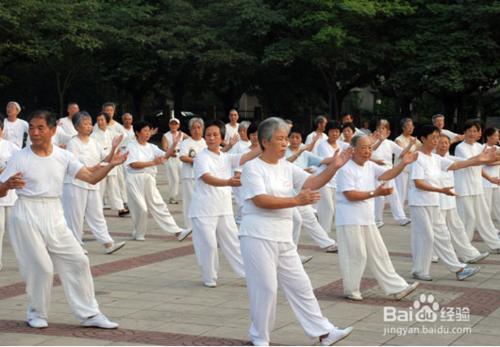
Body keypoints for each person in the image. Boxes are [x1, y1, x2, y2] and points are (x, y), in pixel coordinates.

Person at [0, 110, 125, 329]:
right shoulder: (20, 157)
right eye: (31, 127)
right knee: (42, 267)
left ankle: (89, 314)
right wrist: (7, 186)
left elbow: (90, 178)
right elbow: (1, 189)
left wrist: (111, 165)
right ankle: (36, 313)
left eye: (40, 128)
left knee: (78, 260)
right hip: (26, 213)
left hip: (54, 213)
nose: (34, 132)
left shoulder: (63, 156)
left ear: (53, 130)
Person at [239, 117, 353, 346]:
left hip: (283, 236)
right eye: (280, 139)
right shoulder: (252, 168)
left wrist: (334, 166)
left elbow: (312, 182)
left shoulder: (287, 167)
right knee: (266, 289)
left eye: (286, 138)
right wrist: (295, 200)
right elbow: (261, 200)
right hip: (258, 235)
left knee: (301, 284)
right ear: (265, 141)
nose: (285, 143)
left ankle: (323, 332)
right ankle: (260, 336)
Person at [335, 134, 420, 301]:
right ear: (352, 150)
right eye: (363, 148)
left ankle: (398, 288)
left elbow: (388, 174)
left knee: (379, 253)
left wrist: (403, 163)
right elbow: (350, 195)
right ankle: (351, 290)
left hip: (367, 218)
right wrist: (376, 193)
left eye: (369, 148)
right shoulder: (345, 168)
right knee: (356, 255)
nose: (367, 151)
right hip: (349, 219)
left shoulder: (370, 166)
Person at [408, 124, 496, 282]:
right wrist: (441, 191)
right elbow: (418, 183)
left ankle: (459, 268)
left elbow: (456, 165)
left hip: (434, 203)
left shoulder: (435, 158)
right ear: (423, 139)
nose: (436, 141)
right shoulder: (417, 157)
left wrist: (478, 159)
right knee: (426, 236)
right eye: (433, 138)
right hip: (420, 204)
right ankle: (419, 270)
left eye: (437, 137)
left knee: (442, 235)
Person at [189, 120, 260, 287]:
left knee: (234, 243)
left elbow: (246, 156)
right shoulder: (201, 157)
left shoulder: (226, 157)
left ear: (222, 138)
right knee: (209, 245)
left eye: (215, 135)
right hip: (203, 209)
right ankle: (209, 277)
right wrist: (228, 182)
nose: (211, 138)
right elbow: (206, 178)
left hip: (223, 208)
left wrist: (264, 145)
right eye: (208, 135)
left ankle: (245, 274)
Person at [62, 111, 126, 255]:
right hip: (75, 184)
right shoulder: (73, 143)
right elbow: (75, 166)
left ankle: (108, 243)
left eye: (90, 123)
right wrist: (95, 168)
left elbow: (106, 160)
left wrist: (114, 147)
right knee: (75, 217)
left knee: (97, 214)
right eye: (85, 123)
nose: (89, 126)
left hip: (92, 184)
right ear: (77, 126)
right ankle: (75, 245)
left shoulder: (94, 142)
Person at [125, 121, 191, 241]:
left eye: (149, 130)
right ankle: (138, 232)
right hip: (134, 179)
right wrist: (153, 163)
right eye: (144, 130)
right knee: (141, 208)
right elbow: (133, 164)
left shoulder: (152, 147)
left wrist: (174, 144)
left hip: (149, 178)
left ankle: (177, 231)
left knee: (159, 205)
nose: (147, 133)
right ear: (137, 132)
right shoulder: (131, 146)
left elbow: (166, 156)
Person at [435, 134, 489, 263]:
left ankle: (470, 254)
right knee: (438, 231)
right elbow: (461, 164)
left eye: (446, 143)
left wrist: (481, 157)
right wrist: (479, 159)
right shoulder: (433, 159)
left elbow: (466, 161)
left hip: (449, 200)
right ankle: (433, 255)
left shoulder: (449, 157)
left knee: (457, 228)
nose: (444, 145)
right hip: (436, 201)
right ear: (435, 144)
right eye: (441, 143)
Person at [286, 127, 338, 255]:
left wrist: (337, 158)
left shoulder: (306, 154)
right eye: (292, 137)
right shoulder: (284, 151)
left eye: (297, 137)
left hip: (302, 193)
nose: (294, 140)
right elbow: (284, 164)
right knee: (296, 221)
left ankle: (327, 243)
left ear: (301, 139)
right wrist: (298, 154)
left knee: (310, 219)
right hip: (287, 194)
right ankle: (291, 253)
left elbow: (322, 161)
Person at [454, 120, 500, 251]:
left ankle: (495, 244)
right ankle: (465, 247)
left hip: (477, 186)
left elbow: (480, 166)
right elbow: (473, 162)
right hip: (464, 187)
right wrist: (487, 158)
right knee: (469, 217)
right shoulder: (460, 148)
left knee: (484, 216)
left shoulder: (479, 147)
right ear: (465, 132)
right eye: (469, 131)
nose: (472, 133)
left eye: (475, 131)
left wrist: (490, 178)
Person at [371, 119, 412, 227]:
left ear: (387, 131)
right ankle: (377, 220)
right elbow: (369, 152)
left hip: (389, 171)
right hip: (377, 172)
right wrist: (379, 141)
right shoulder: (372, 141)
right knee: (379, 197)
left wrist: (410, 145)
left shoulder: (390, 143)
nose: (381, 130)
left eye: (383, 128)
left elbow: (401, 153)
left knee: (394, 195)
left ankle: (401, 218)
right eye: (379, 128)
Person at [91, 112, 129, 217]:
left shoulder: (111, 132)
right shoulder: (94, 135)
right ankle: (95, 209)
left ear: (107, 121)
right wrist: (108, 155)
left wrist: (117, 151)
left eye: (102, 120)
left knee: (114, 186)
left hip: (112, 162)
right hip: (101, 162)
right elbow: (97, 150)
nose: (100, 122)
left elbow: (124, 136)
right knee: (100, 188)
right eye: (98, 120)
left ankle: (120, 207)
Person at [316, 121, 349, 233]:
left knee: (334, 208)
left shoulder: (342, 144)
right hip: (324, 180)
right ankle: (324, 234)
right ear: (327, 132)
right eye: (332, 131)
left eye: (337, 131)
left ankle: (324, 232)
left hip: (336, 181)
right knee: (328, 207)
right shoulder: (322, 145)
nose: (335, 133)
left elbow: (355, 148)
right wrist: (338, 158)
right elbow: (328, 161)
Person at [179, 117, 207, 230]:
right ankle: (189, 227)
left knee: (202, 201)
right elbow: (182, 156)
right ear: (190, 130)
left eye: (199, 127)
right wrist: (196, 161)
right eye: (194, 128)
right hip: (189, 176)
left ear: (202, 129)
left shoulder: (206, 142)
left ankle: (201, 223)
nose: (196, 130)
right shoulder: (186, 143)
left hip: (204, 177)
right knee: (189, 201)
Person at [0, 118, 20, 270]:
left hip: (11, 195)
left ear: (2, 130)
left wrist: (7, 170)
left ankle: (24, 260)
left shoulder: (10, 146)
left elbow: (21, 162)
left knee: (16, 230)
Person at [101, 102, 128, 208]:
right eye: (106, 110)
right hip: (104, 157)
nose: (109, 112)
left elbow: (124, 139)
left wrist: (117, 151)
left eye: (111, 110)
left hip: (116, 157)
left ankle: (123, 199)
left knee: (119, 179)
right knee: (103, 179)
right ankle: (104, 200)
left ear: (114, 112)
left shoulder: (118, 126)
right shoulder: (99, 124)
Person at [162, 118, 188, 204]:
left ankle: (187, 195)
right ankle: (172, 197)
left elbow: (191, 141)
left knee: (184, 177)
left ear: (178, 125)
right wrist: (170, 152)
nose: (174, 126)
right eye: (172, 124)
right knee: (174, 179)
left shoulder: (181, 134)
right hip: (171, 158)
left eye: (175, 124)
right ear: (169, 125)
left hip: (180, 157)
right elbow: (165, 147)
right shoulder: (166, 135)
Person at [394, 118, 420, 204]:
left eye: (412, 126)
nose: (411, 128)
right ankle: (400, 215)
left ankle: (409, 214)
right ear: (403, 128)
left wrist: (410, 151)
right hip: (401, 170)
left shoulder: (414, 139)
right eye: (409, 126)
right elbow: (402, 154)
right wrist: (410, 146)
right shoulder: (399, 139)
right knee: (401, 193)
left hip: (411, 169)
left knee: (411, 192)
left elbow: (421, 150)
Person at [481, 127, 500, 222]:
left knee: (497, 204)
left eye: (498, 135)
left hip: (497, 181)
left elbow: (492, 160)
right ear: (488, 136)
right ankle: (487, 226)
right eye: (495, 135)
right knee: (487, 205)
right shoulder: (483, 147)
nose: (497, 137)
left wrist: (495, 159)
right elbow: (488, 162)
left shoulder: (498, 148)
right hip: (486, 181)